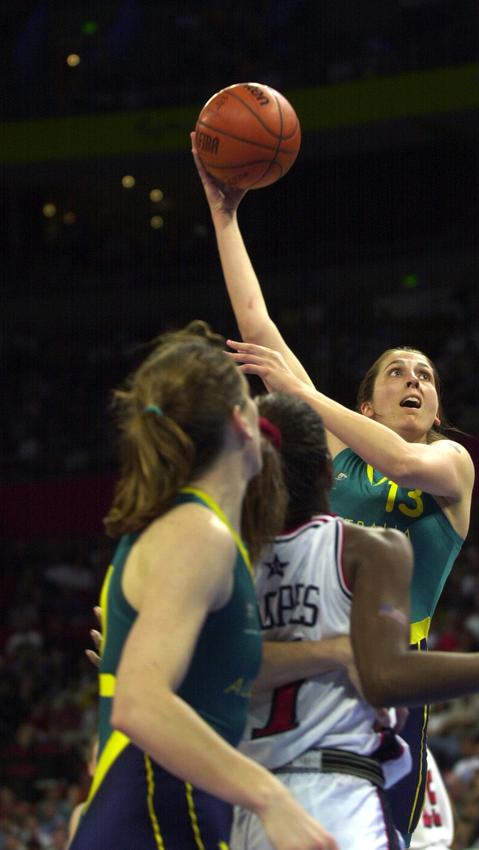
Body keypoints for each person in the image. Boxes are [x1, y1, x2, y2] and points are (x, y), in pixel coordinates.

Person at [192, 132, 474, 843]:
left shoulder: (451, 465)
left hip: (384, 682)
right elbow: (257, 324)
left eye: (426, 376)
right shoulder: (343, 448)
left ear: (438, 410)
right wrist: (226, 220)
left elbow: (406, 468)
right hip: (297, 668)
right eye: (398, 372)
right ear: (368, 405)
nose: (415, 379)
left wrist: (302, 395)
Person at [226, 393, 479, 850]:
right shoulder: (368, 548)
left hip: (247, 797)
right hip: (340, 795)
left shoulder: (229, 561)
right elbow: (385, 676)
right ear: (329, 476)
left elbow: (228, 665)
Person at [69, 321, 337, 850]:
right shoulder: (196, 533)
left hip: (174, 812)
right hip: (156, 815)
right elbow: (138, 704)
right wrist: (271, 797)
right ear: (242, 422)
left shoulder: (205, 531)